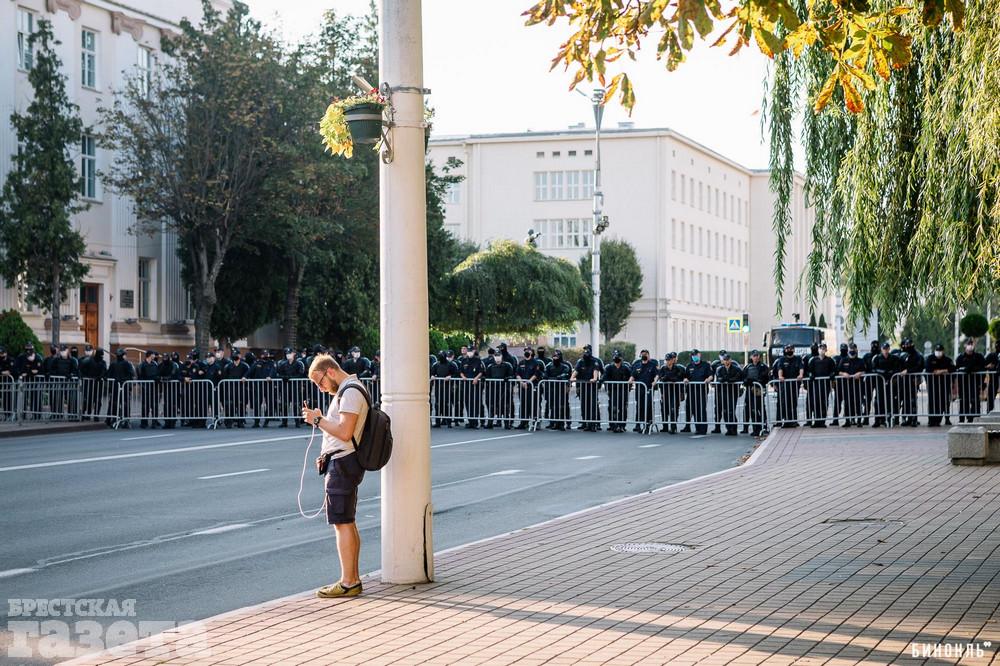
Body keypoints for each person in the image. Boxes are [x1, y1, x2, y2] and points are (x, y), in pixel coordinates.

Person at [301, 354, 369, 599]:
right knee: (346, 521)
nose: (320, 388)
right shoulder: (349, 389)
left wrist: (318, 420)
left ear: (330, 371)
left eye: (319, 382)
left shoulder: (349, 392)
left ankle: (349, 581)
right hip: (343, 462)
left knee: (342, 522)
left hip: (343, 462)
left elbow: (345, 431)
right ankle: (352, 579)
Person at [571, 344, 603, 431]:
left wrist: (598, 382)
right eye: (585, 350)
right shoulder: (580, 361)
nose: (586, 352)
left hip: (592, 387)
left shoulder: (596, 361)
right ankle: (585, 422)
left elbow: (598, 374)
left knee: (593, 405)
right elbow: (575, 373)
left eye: (587, 350)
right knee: (584, 405)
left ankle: (594, 423)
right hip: (583, 386)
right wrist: (574, 380)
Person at [654, 352, 686, 433]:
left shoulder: (678, 368)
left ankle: (673, 427)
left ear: (672, 360)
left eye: (669, 360)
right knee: (664, 409)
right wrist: (668, 378)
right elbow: (661, 378)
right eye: (666, 360)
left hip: (675, 392)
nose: (667, 361)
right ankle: (665, 426)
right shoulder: (663, 368)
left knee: (673, 409)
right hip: (665, 392)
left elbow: (678, 379)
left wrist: (668, 378)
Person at [870, 342, 900, 427]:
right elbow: (873, 369)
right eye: (884, 349)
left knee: (890, 401)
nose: (885, 351)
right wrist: (882, 372)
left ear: (889, 349)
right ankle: (878, 420)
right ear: (881, 349)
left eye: (887, 349)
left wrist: (890, 373)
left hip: (891, 383)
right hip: (880, 383)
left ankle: (889, 419)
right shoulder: (877, 358)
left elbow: (897, 368)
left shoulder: (893, 358)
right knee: (878, 401)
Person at [806, 343, 836, 427]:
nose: (822, 350)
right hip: (815, 385)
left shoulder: (830, 360)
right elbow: (808, 370)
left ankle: (822, 421)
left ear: (826, 350)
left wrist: (832, 374)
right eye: (820, 348)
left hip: (825, 385)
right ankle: (816, 421)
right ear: (818, 350)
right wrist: (810, 374)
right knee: (816, 402)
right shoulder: (813, 360)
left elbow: (834, 370)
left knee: (824, 402)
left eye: (823, 348)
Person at [483, 348, 514, 429]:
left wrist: (508, 378)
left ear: (501, 356)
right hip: (493, 390)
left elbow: (512, 375)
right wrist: (484, 378)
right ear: (494, 356)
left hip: (504, 389)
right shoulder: (490, 366)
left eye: (499, 355)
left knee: (505, 406)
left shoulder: (507, 365)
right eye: (496, 355)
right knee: (492, 406)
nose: (497, 357)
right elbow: (487, 376)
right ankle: (490, 423)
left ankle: (506, 424)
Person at [774, 344, 804, 427]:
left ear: (794, 350)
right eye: (787, 348)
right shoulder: (782, 359)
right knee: (784, 403)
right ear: (785, 350)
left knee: (793, 402)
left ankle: (793, 421)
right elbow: (780, 369)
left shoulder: (798, 359)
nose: (789, 350)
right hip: (784, 385)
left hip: (794, 384)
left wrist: (800, 375)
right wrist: (780, 376)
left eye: (791, 348)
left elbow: (801, 368)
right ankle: (786, 421)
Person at [837, 343, 867, 426]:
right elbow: (838, 371)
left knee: (858, 403)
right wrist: (843, 374)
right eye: (851, 349)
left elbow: (865, 371)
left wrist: (860, 373)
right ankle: (847, 421)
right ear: (848, 350)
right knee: (847, 403)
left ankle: (859, 421)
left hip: (858, 386)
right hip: (847, 386)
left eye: (854, 349)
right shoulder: (843, 360)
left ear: (856, 350)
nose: (852, 350)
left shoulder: (860, 361)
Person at [955, 341, 985, 422]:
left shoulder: (978, 357)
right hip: (963, 384)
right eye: (968, 345)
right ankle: (962, 419)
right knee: (963, 401)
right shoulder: (960, 358)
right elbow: (957, 370)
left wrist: (972, 369)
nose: (970, 347)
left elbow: (983, 368)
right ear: (965, 347)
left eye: (971, 345)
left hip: (975, 383)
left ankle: (973, 418)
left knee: (975, 401)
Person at [896, 338, 924, 426]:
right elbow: (899, 366)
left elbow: (919, 367)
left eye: (908, 345)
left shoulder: (917, 355)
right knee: (905, 401)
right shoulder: (903, 355)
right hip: (903, 382)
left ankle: (913, 419)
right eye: (906, 345)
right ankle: (905, 418)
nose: (907, 346)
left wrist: (908, 371)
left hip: (912, 381)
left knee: (912, 401)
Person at [514, 347, 544, 430]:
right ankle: (523, 422)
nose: (526, 352)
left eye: (528, 351)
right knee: (523, 404)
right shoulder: (521, 362)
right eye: (525, 351)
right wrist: (521, 382)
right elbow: (517, 374)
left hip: (532, 387)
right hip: (523, 387)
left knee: (533, 404)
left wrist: (528, 382)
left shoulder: (536, 363)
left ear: (532, 353)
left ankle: (535, 422)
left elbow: (536, 374)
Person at [685, 349, 714, 435]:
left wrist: (708, 379)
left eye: (695, 355)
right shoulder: (689, 366)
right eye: (693, 355)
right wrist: (685, 379)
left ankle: (703, 429)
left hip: (702, 391)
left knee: (701, 409)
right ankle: (697, 428)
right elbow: (685, 376)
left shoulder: (706, 365)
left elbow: (711, 375)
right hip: (691, 391)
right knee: (693, 410)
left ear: (699, 355)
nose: (694, 357)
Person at [925, 343, 954, 427]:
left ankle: (939, 420)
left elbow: (952, 368)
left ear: (943, 351)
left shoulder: (947, 360)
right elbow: (928, 369)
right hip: (932, 385)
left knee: (943, 402)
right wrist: (936, 371)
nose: (938, 352)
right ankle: (931, 420)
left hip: (944, 385)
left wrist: (942, 371)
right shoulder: (930, 358)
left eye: (940, 350)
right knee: (932, 402)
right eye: (937, 350)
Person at [742, 350, 770, 437]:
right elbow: (743, 377)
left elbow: (766, 378)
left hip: (759, 391)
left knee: (760, 409)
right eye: (754, 356)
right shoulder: (748, 367)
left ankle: (764, 428)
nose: (756, 357)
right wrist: (747, 381)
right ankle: (752, 429)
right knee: (750, 409)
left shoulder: (763, 366)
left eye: (757, 355)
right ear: (751, 357)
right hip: (749, 391)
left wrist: (756, 381)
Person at [276, 347, 306, 427]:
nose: (288, 355)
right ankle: (284, 422)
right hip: (285, 387)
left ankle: (297, 422)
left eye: (290, 353)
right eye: (287, 353)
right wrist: (284, 377)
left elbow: (301, 374)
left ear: (294, 354)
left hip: (295, 387)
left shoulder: (298, 364)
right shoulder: (283, 364)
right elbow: (278, 374)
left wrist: (291, 378)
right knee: (285, 404)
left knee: (296, 404)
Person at [714, 353, 743, 436]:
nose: (726, 361)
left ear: (730, 360)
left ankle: (734, 429)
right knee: (725, 411)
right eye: (725, 360)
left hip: (732, 392)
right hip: (723, 392)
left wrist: (728, 379)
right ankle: (728, 429)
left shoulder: (736, 369)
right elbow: (719, 378)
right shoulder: (719, 369)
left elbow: (738, 378)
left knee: (731, 411)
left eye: (727, 360)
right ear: (723, 361)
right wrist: (728, 379)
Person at [542, 350, 572, 430]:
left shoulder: (566, 365)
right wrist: (545, 377)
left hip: (562, 388)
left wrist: (568, 386)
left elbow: (568, 375)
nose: (555, 357)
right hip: (551, 388)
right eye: (554, 356)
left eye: (557, 356)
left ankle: (565, 423)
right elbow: (545, 374)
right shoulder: (549, 365)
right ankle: (553, 422)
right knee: (552, 405)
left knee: (563, 405)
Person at [106, 348, 135, 428]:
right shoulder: (126, 364)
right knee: (123, 404)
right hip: (122, 387)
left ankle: (114, 419)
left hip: (116, 387)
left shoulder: (114, 364)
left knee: (115, 404)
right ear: (123, 355)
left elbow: (108, 375)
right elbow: (131, 374)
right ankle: (125, 420)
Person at [630, 350, 658, 433]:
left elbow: (657, 374)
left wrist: (655, 381)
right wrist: (630, 380)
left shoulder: (652, 365)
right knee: (639, 406)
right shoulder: (637, 365)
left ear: (648, 355)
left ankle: (648, 424)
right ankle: (638, 424)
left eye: (645, 354)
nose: (644, 355)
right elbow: (633, 375)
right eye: (642, 354)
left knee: (648, 406)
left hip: (649, 388)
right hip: (640, 389)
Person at [604, 350, 631, 433]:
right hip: (613, 391)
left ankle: (622, 425)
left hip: (623, 391)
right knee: (613, 408)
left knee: (623, 408)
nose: (616, 358)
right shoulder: (609, 367)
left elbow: (630, 378)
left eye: (618, 356)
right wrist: (606, 388)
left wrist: (628, 389)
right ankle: (613, 425)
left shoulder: (625, 368)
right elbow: (605, 377)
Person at [221, 349, 250, 427]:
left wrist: (245, 377)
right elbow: (224, 377)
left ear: (240, 356)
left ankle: (241, 422)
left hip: (241, 389)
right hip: (231, 389)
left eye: (236, 355)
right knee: (230, 405)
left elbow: (248, 374)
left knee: (241, 405)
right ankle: (229, 422)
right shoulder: (228, 366)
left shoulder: (245, 366)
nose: (235, 356)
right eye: (234, 355)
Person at [459, 345, 485, 429]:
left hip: (475, 385)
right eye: (468, 351)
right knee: (467, 403)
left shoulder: (478, 360)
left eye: (471, 351)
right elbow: (461, 371)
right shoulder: (464, 360)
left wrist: (476, 378)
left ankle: (475, 422)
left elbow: (481, 371)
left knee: (475, 403)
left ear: (474, 351)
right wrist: (463, 377)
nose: (469, 352)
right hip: (466, 385)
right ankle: (470, 421)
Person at [431, 351, 458, 427]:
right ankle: (438, 422)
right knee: (438, 404)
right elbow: (432, 373)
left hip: (448, 388)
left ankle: (448, 422)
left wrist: (450, 376)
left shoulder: (451, 364)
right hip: (438, 388)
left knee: (447, 405)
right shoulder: (436, 365)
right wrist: (432, 376)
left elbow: (456, 374)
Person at [15, 344, 43, 419]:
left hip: (35, 381)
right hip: (24, 381)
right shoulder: (21, 357)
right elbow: (17, 368)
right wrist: (21, 374)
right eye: (27, 350)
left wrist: (32, 372)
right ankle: (22, 415)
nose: (28, 351)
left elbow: (40, 369)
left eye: (30, 350)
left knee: (35, 398)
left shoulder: (38, 357)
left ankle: (36, 415)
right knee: (22, 398)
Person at [79, 345, 106, 421]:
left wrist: (100, 377)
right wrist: (84, 376)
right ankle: (85, 414)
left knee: (97, 401)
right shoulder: (89, 360)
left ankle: (96, 415)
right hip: (89, 383)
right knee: (87, 400)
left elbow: (104, 371)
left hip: (98, 384)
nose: (101, 356)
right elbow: (81, 368)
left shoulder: (102, 362)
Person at [137, 350, 161, 428]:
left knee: (155, 406)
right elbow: (140, 376)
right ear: (150, 355)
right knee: (145, 406)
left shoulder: (155, 364)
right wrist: (143, 385)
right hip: (146, 388)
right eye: (153, 354)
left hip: (154, 388)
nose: (155, 356)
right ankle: (144, 423)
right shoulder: (142, 365)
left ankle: (154, 422)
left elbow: (158, 374)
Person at [158, 350, 180, 429]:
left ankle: (172, 422)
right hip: (165, 388)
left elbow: (173, 374)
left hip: (173, 387)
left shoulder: (173, 364)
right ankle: (167, 422)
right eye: (163, 357)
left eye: (166, 357)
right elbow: (158, 374)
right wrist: (162, 378)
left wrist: (167, 378)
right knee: (166, 405)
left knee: (173, 405)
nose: (165, 359)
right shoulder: (161, 365)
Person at [0, 346, 13, 421]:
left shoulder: (10, 360)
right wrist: (3, 372)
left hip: (10, 383)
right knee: (4, 399)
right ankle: (5, 414)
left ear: (5, 353)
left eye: (2, 353)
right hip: (3, 383)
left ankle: (10, 414)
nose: (1, 355)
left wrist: (3, 372)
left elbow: (10, 371)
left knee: (10, 399)